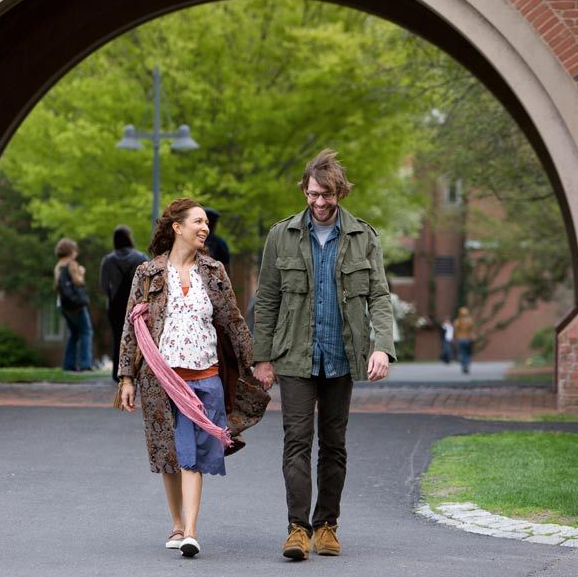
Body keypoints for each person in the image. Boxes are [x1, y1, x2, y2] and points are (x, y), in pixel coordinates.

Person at [253, 148, 396, 560]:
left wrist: (382, 346)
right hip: (295, 356)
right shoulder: (281, 235)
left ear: (340, 193)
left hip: (341, 356)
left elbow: (379, 296)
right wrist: (263, 358)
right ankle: (297, 529)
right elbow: (267, 300)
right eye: (313, 194)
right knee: (296, 440)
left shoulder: (362, 237)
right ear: (304, 190)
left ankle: (326, 525)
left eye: (327, 195)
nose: (319, 202)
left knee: (334, 444)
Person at [117, 198, 266, 558]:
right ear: (177, 227)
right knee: (168, 453)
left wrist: (257, 363)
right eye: (197, 222)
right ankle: (177, 523)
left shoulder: (213, 271)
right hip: (160, 379)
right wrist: (126, 377)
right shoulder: (147, 273)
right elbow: (130, 327)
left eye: (206, 224)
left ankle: (192, 531)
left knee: (194, 453)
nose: (205, 228)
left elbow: (233, 322)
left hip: (206, 376)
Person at [100, 225, 147, 382]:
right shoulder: (141, 258)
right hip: (137, 305)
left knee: (118, 338)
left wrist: (111, 295)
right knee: (139, 338)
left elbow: (103, 284)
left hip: (115, 306)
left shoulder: (108, 260)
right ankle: (138, 371)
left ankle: (118, 372)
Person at [53, 238, 94, 372]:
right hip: (76, 305)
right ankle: (85, 364)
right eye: (75, 250)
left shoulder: (58, 266)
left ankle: (68, 364)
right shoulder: (72, 264)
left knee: (74, 334)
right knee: (86, 332)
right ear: (71, 251)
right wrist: (81, 273)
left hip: (63, 305)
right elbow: (78, 282)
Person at [453, 307, 475, 374]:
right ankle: (466, 365)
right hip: (467, 339)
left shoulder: (457, 321)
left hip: (460, 339)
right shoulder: (470, 321)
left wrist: (454, 338)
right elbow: (472, 330)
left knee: (462, 353)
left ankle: (464, 365)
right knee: (468, 353)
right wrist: (472, 336)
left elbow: (455, 331)